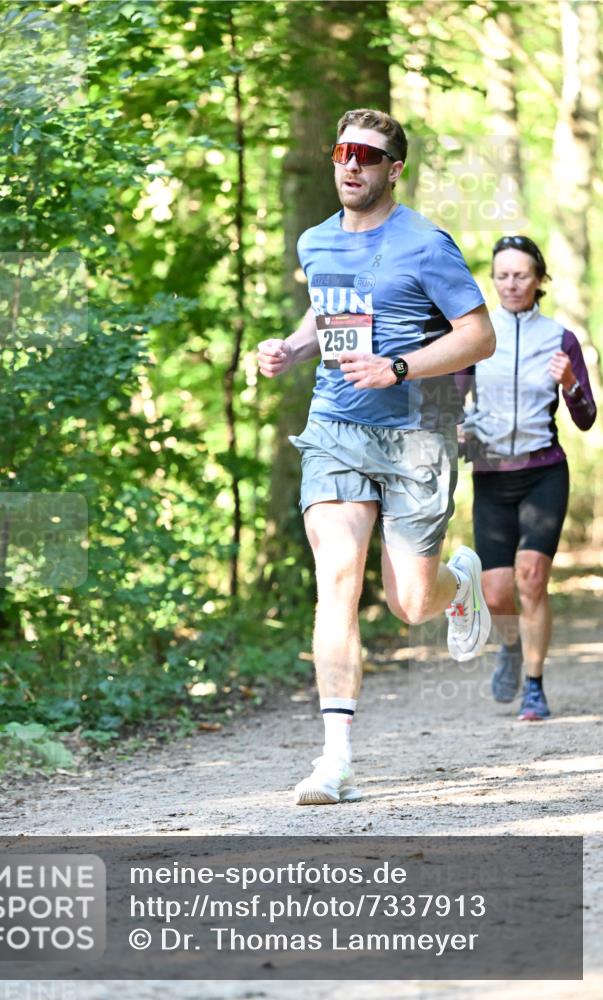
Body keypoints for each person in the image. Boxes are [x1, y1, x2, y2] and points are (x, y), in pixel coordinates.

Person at [257, 108, 495, 806]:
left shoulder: (425, 244)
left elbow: (476, 337)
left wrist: (397, 367)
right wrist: (290, 349)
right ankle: (334, 759)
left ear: (394, 168)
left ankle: (457, 585)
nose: (351, 164)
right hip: (334, 425)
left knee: (409, 601)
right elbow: (324, 317)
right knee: (337, 578)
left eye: (367, 155)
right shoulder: (315, 242)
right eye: (341, 152)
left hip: (416, 432)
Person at [458, 235, 597, 721]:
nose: (511, 284)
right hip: (492, 475)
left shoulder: (559, 339)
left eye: (521, 275)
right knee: (497, 593)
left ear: (538, 280)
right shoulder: (477, 336)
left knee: (532, 579)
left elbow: (585, 418)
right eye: (502, 276)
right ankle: (511, 648)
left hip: (543, 473)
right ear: (493, 280)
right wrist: (456, 433)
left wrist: (572, 385)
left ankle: (534, 686)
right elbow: (453, 407)